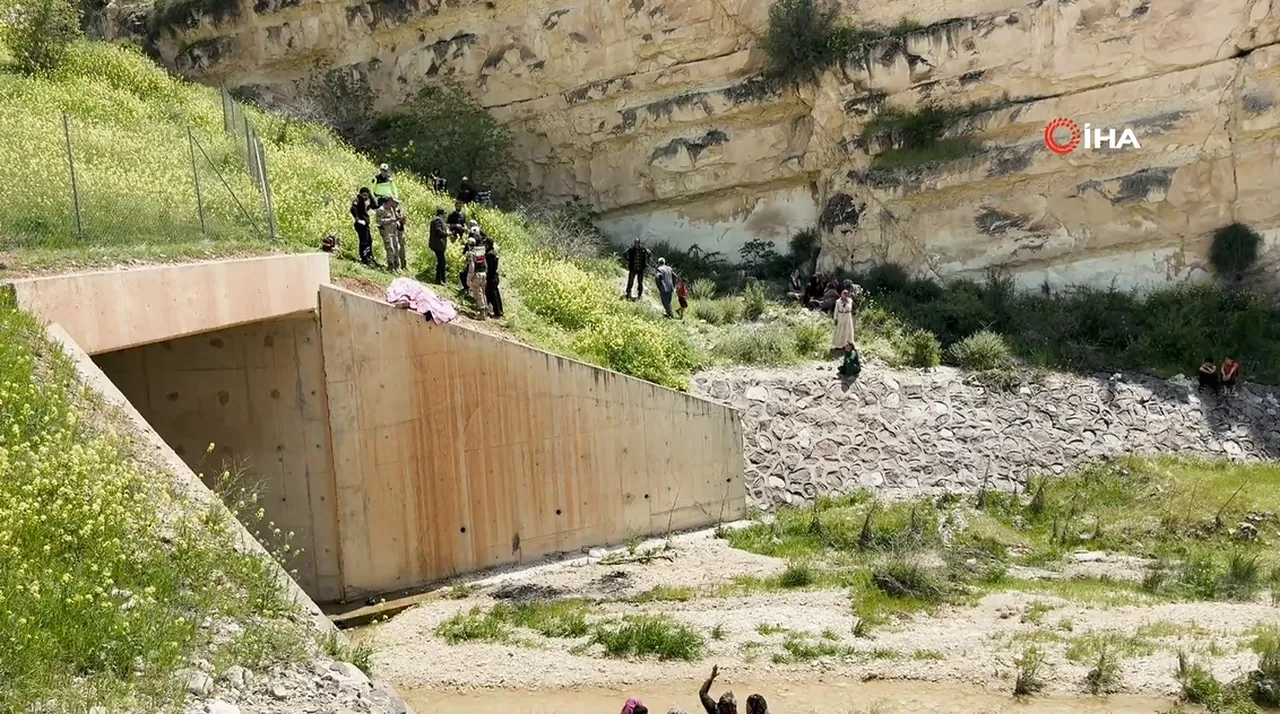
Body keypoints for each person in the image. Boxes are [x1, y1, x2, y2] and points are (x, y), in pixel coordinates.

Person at [375, 196, 407, 272]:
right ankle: (390, 266)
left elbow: (395, 219)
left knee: (396, 248)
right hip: (386, 232)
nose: (396, 204)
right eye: (394, 202)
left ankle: (397, 266)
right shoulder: (380, 210)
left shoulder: (392, 209)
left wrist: (399, 221)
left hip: (394, 231)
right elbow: (379, 222)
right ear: (390, 201)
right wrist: (390, 220)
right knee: (390, 248)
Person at [350, 187, 377, 267]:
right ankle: (364, 258)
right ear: (361, 194)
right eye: (364, 195)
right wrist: (358, 219)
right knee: (364, 241)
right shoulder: (357, 200)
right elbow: (353, 209)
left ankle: (370, 256)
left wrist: (371, 196)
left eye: (367, 195)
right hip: (360, 224)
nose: (365, 197)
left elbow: (375, 205)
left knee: (369, 240)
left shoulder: (366, 200)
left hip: (366, 223)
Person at [428, 208, 449, 285]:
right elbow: (438, 231)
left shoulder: (437, 220)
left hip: (438, 245)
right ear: (442, 214)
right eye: (445, 214)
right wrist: (447, 234)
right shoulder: (438, 220)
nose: (445, 215)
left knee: (441, 262)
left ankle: (441, 279)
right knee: (442, 263)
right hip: (438, 245)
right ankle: (439, 280)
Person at [484, 238, 503, 318]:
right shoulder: (493, 253)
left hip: (491, 276)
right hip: (493, 276)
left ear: (488, 244)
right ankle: (498, 310)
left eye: (485, 244)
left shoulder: (490, 254)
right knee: (494, 294)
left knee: (493, 295)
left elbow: (489, 267)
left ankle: (497, 312)